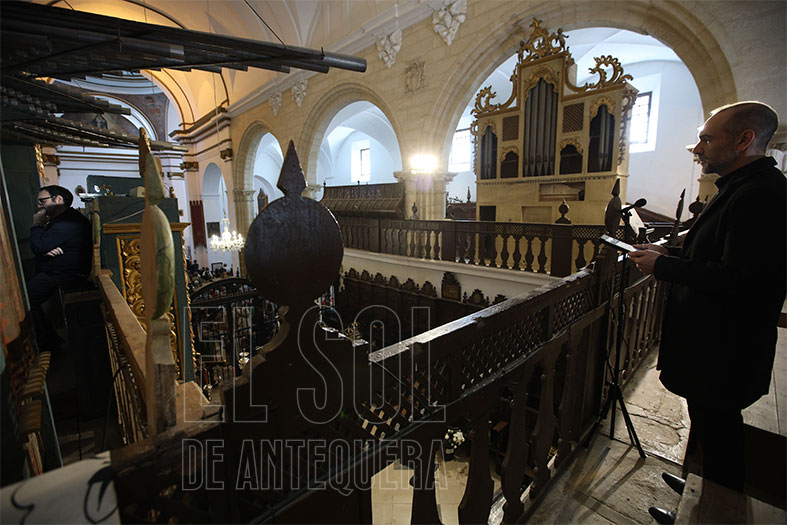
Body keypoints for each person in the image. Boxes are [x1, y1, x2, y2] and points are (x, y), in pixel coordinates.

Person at [630, 102, 786, 501]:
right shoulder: (740, 186)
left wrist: (664, 267)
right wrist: (668, 255)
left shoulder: (761, 195)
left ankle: (718, 509)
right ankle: (698, 491)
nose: (697, 149)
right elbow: (716, 256)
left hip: (725, 351)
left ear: (744, 139)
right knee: (710, 428)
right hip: (714, 347)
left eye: (706, 139)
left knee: (721, 441)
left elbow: (743, 279)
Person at [27, 185, 92, 351]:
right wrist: (44, 249)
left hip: (64, 273)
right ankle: (49, 340)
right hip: (55, 271)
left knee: (26, 299)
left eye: (42, 201)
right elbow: (43, 246)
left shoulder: (68, 221)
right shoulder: (61, 219)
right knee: (27, 296)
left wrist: (36, 225)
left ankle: (46, 342)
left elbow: (40, 245)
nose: (39, 206)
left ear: (58, 199)